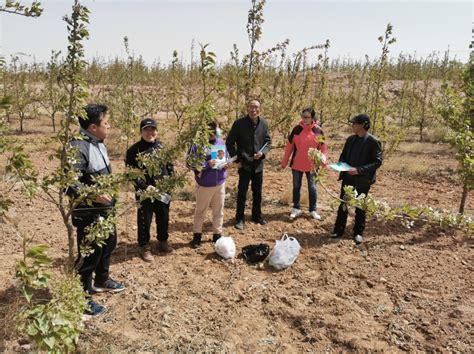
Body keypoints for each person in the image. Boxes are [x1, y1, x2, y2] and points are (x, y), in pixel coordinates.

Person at [67, 104, 124, 317]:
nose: (109, 126)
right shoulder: (77, 147)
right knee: (89, 254)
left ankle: (102, 279)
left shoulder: (98, 143)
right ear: (93, 127)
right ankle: (82, 298)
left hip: (105, 210)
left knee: (109, 243)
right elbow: (70, 184)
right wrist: (93, 196)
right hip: (89, 213)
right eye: (106, 123)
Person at [125, 118, 174, 262]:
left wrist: (170, 182)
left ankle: (162, 242)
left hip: (163, 191)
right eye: (146, 130)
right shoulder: (134, 150)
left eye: (152, 129)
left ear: (157, 132)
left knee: (163, 217)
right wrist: (145, 186)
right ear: (141, 132)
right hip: (145, 192)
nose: (150, 132)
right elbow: (131, 173)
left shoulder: (163, 148)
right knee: (144, 219)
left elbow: (170, 167)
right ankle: (144, 247)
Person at [330, 114, 383, 244]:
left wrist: (359, 170)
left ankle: (358, 233)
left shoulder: (373, 141)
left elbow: (377, 162)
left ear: (363, 125)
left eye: (355, 123)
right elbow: (343, 156)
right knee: (343, 203)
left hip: (362, 180)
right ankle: (338, 230)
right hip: (347, 178)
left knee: (360, 206)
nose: (352, 125)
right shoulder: (350, 139)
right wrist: (341, 165)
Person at [226, 99, 272, 230]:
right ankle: (239, 218)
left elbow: (268, 142)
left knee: (257, 192)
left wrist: (262, 153)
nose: (254, 110)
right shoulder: (239, 124)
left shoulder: (263, 123)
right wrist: (237, 159)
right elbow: (229, 143)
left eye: (256, 107)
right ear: (247, 108)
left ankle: (256, 216)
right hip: (244, 164)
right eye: (251, 107)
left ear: (260, 109)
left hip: (258, 165)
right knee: (242, 192)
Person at [186, 121, 229, 248]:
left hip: (220, 183)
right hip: (204, 184)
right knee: (200, 211)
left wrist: (226, 164)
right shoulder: (197, 145)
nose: (214, 134)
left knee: (218, 211)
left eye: (217, 131)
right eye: (211, 131)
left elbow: (226, 157)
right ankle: (197, 237)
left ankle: (217, 236)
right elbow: (189, 163)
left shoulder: (220, 143)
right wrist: (206, 164)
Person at [281, 107, 327, 220]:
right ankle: (296, 208)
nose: (304, 119)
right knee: (296, 186)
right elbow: (289, 147)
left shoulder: (318, 131)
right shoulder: (296, 129)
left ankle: (313, 210)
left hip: (312, 166)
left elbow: (323, 148)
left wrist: (324, 161)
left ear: (312, 118)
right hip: (297, 164)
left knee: (313, 188)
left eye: (307, 117)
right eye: (303, 117)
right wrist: (284, 161)